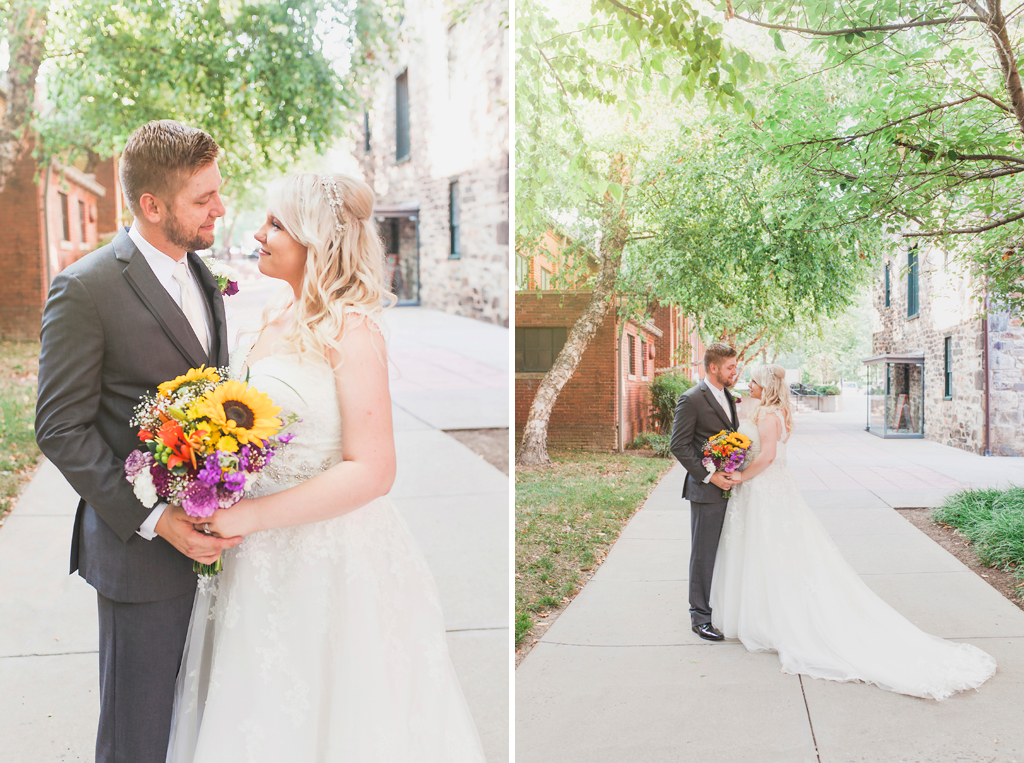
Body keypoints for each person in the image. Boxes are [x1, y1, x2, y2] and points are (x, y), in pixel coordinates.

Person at [164, 172, 486, 761]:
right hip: (251, 562)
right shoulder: (267, 322)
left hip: (329, 559)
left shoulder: (351, 329)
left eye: (276, 224)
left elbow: (373, 470)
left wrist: (251, 515)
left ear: (315, 239)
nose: (258, 233)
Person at [35, 120, 241, 763]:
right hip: (139, 556)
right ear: (152, 206)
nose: (220, 207)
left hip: (213, 544)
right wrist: (157, 519)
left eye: (218, 191)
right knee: (137, 738)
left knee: (195, 725)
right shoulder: (86, 287)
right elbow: (59, 427)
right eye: (202, 198)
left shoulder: (203, 274)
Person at [710, 364, 997, 700]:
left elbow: (769, 456)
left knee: (770, 550)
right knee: (774, 550)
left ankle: (770, 620)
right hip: (773, 490)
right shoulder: (774, 411)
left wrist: (740, 476)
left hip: (764, 489)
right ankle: (760, 613)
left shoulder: (768, 415)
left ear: (766, 386)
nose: (750, 385)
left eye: (755, 382)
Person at [669, 343, 741, 641]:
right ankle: (700, 618)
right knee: (703, 554)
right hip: (706, 490)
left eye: (735, 367)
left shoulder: (728, 396)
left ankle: (721, 607)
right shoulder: (691, 399)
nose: (735, 372)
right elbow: (679, 446)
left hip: (731, 487)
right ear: (713, 368)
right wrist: (711, 477)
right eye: (730, 368)